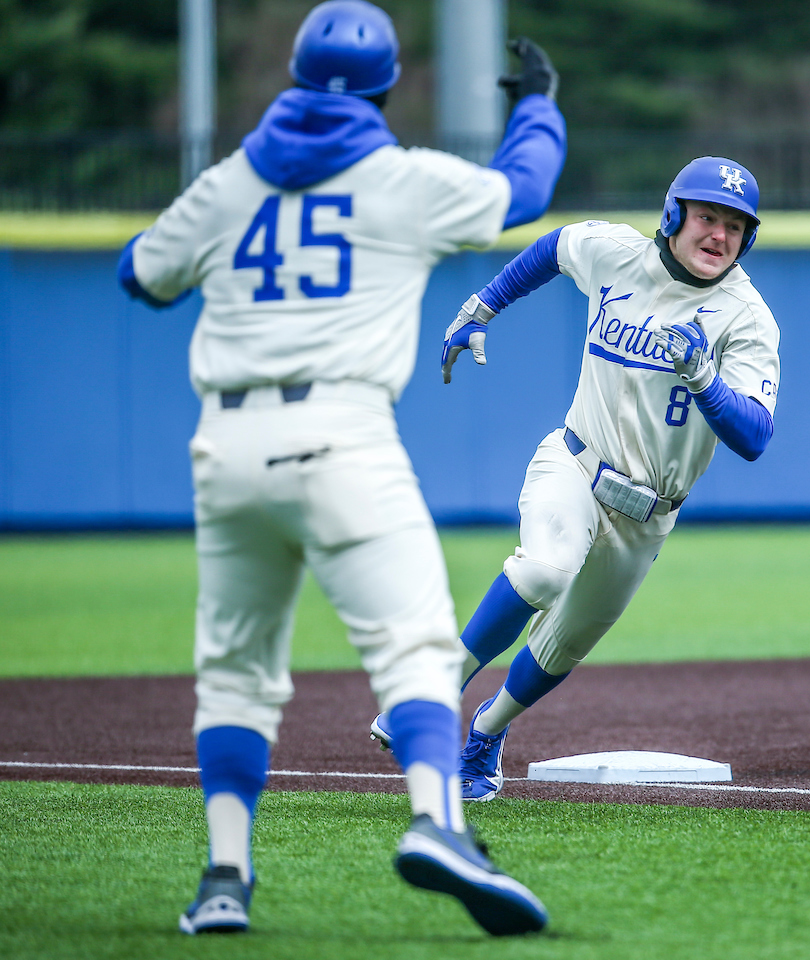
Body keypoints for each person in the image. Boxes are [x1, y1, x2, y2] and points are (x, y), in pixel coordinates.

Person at [116, 0, 566, 937]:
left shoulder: (232, 181)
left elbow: (140, 275)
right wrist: (538, 107)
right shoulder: (400, 181)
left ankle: (225, 880)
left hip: (226, 445)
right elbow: (522, 190)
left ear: (291, 75)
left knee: (235, 674)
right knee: (417, 647)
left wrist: (220, 226)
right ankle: (440, 826)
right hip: (341, 431)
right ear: (388, 86)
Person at [370, 157, 780, 802]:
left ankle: (485, 735)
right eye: (707, 217)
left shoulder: (746, 317)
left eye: (735, 226)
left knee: (564, 644)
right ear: (673, 215)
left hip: (649, 512)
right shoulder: (615, 252)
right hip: (576, 463)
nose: (718, 236)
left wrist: (705, 380)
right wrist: (481, 306)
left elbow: (754, 437)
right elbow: (553, 248)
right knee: (543, 570)